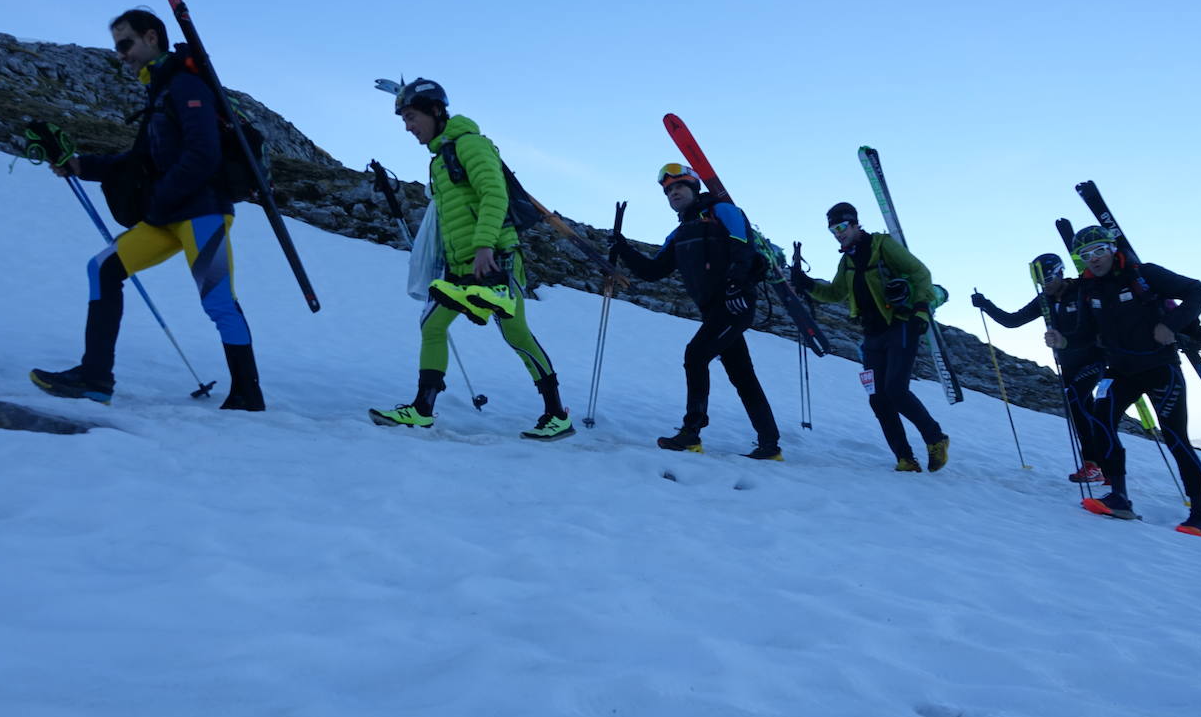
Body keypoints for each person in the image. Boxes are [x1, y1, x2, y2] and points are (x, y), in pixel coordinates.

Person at [30, 8, 263, 411]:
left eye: (126, 44)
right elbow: (139, 161)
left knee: (218, 301)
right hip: (169, 215)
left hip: (202, 213)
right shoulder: (160, 91)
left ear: (151, 37)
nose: (121, 54)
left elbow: (203, 154)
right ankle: (95, 377)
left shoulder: (186, 85)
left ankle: (247, 394)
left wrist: (160, 200)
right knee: (103, 269)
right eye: (117, 46)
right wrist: (79, 164)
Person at [369, 78, 573, 441]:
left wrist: (483, 247)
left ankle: (557, 414)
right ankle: (422, 409)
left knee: (517, 335)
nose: (408, 127)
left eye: (412, 117)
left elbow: (494, 194)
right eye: (404, 120)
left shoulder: (471, 145)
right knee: (432, 326)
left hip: (496, 259)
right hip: (461, 266)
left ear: (435, 111)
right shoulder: (439, 160)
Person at [1050, 226, 1201, 536]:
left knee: (1175, 437)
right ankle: (1119, 497)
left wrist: (1171, 324)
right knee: (1101, 420)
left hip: (1160, 367)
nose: (1093, 259)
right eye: (1086, 255)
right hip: (1121, 369)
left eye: (1099, 250)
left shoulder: (1145, 274)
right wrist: (1063, 342)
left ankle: (1200, 515)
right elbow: (1086, 334)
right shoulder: (1088, 289)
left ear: (1112, 248)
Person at [610, 164, 782, 460]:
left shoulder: (724, 211)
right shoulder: (678, 234)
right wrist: (623, 248)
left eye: (679, 187)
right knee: (742, 375)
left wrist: (736, 285)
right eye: (668, 190)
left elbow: (744, 248)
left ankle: (691, 433)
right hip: (714, 311)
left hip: (735, 305)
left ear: (694, 189)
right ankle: (770, 444)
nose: (673, 193)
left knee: (696, 355)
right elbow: (653, 271)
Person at [793, 202, 949, 472]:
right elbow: (835, 293)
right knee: (877, 398)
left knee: (896, 391)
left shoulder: (882, 246)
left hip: (901, 325)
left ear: (855, 224)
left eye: (841, 227)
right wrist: (805, 283)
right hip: (871, 334)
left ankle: (936, 438)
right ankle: (905, 458)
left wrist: (921, 311)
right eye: (833, 230)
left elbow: (920, 273)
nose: (838, 233)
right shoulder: (847, 261)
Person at [972, 254, 1105, 483]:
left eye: (1050, 279)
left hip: (1094, 359)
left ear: (1061, 273)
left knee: (1078, 401)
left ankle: (1095, 464)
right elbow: (1013, 321)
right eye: (1042, 282)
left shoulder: (1082, 290)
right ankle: (1103, 465)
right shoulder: (1045, 300)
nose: (1047, 285)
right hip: (1068, 363)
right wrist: (986, 304)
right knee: (1082, 410)